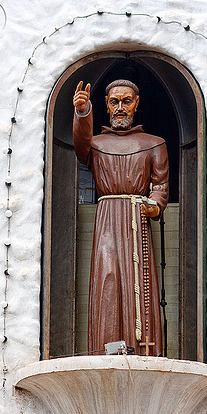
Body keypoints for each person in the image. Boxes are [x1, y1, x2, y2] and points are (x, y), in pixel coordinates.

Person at [73, 79, 169, 356]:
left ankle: (142, 350)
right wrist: (82, 113)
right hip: (107, 218)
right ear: (105, 105)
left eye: (126, 101)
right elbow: (80, 146)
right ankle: (105, 348)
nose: (120, 108)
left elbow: (161, 187)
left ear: (136, 104)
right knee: (108, 279)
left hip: (137, 219)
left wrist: (155, 205)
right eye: (114, 102)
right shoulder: (96, 144)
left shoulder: (154, 144)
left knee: (140, 280)